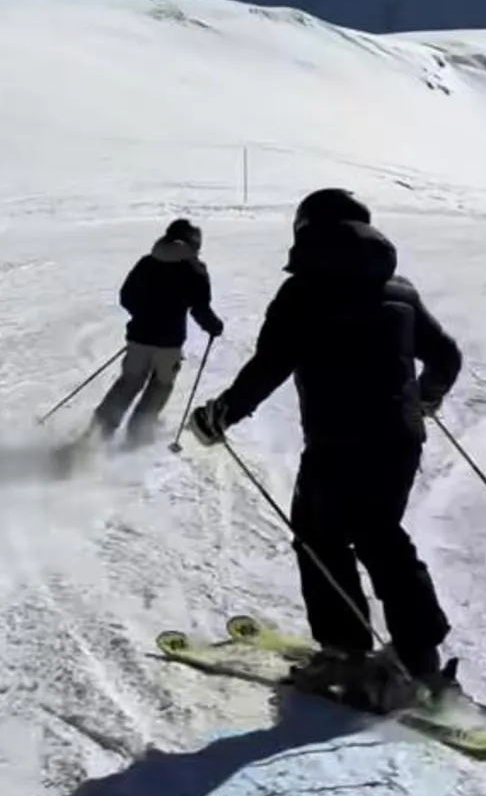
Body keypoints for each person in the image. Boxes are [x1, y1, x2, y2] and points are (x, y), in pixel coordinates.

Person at [190, 189, 461, 698]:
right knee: (381, 534)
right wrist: (426, 397)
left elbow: (269, 366)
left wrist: (219, 416)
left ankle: (345, 653)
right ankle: (420, 657)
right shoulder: (399, 290)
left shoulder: (303, 292)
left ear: (305, 230)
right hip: (401, 439)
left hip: (338, 440)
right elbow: (446, 355)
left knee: (320, 537)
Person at [92, 218, 223, 444]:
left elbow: (126, 297)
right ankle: (137, 435)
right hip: (169, 344)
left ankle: (97, 433)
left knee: (128, 382)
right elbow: (200, 308)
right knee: (160, 386)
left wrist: (144, 317)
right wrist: (214, 326)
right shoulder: (194, 270)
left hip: (139, 339)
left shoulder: (147, 263)